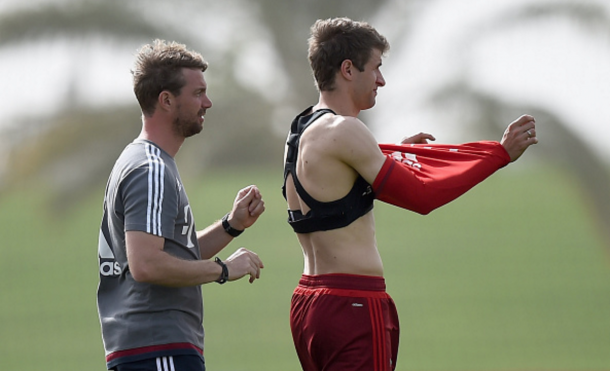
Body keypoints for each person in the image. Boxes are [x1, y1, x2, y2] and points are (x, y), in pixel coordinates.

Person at [282, 17, 537, 371]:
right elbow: (421, 196)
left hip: (309, 304)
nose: (382, 80)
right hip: (352, 302)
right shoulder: (347, 130)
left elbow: (337, 188)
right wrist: (498, 155)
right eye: (376, 68)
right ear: (348, 69)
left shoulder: (301, 128)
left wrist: (390, 154)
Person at [97, 39, 265, 371]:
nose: (208, 102)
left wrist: (232, 225)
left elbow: (170, 254)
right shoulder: (151, 169)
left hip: (148, 348)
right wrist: (224, 269)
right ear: (167, 100)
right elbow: (146, 264)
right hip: (158, 348)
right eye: (198, 93)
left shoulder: (146, 161)